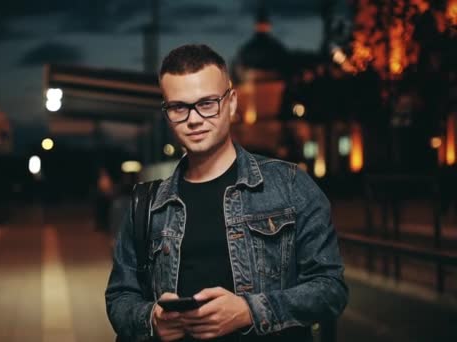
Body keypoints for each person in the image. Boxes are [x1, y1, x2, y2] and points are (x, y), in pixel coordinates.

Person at [105, 44, 348, 342]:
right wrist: (152, 318)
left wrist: (249, 311)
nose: (194, 119)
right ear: (167, 114)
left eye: (207, 103)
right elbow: (119, 297)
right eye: (179, 107)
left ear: (231, 103)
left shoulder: (291, 185)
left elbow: (331, 290)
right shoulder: (146, 204)